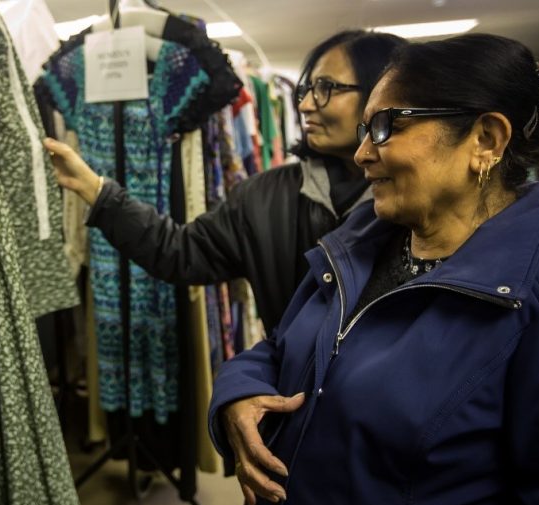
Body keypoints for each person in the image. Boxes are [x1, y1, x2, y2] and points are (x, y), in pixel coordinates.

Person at [208, 33, 539, 505]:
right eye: (366, 129)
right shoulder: (362, 236)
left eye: (387, 126)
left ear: (485, 139)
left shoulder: (531, 290)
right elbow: (282, 347)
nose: (363, 153)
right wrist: (236, 394)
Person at [43, 30, 406, 333]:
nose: (306, 105)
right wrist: (96, 191)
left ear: (380, 94)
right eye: (306, 89)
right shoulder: (262, 196)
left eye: (325, 87)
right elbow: (181, 253)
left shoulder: (418, 203)